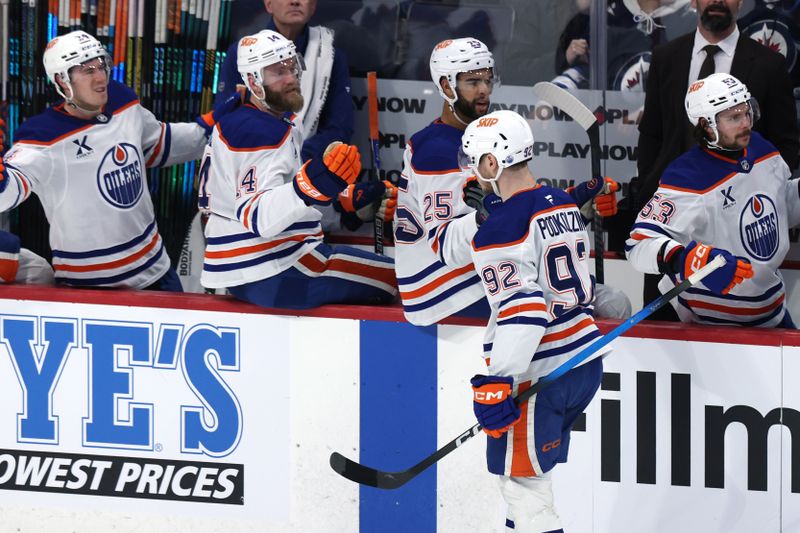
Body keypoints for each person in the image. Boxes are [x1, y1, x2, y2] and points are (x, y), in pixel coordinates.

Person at [395, 38, 621, 326]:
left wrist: (574, 205)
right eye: (472, 82)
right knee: (598, 302)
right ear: (447, 86)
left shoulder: (481, 137)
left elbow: (514, 209)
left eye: (488, 80)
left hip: (475, 275)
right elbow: (447, 246)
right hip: (444, 290)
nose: (484, 91)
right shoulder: (437, 151)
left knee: (604, 298)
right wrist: (486, 215)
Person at [460, 109, 608, 533]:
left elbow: (524, 306)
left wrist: (499, 380)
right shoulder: (563, 202)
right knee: (524, 480)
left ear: (492, 163)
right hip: (582, 361)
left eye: (476, 162)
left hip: (539, 372)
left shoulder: (498, 228)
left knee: (525, 490)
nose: (473, 172)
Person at [0, 30, 238, 290]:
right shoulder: (41, 139)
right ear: (62, 80)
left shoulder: (121, 100)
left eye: (101, 65)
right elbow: (7, 194)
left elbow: (160, 143)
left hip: (156, 271)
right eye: (87, 70)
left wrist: (214, 124)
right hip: (89, 287)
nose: (101, 77)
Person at [199, 30, 397, 309]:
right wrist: (311, 185)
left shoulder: (263, 120)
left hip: (266, 264)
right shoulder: (256, 131)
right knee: (399, 280)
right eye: (277, 72)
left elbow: (285, 188)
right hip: (273, 267)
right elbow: (259, 216)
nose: (291, 78)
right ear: (254, 82)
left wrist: (342, 198)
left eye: (292, 66)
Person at [636, 0, 800, 319]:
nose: (745, 123)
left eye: (746, 113)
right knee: (671, 340)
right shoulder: (667, 57)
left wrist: (754, 188)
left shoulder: (768, 65)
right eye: (733, 117)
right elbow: (652, 133)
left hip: (747, 250)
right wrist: (651, 190)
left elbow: (786, 151)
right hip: (681, 232)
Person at [216, 0, 353, 163]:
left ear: (313, 6)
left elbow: (338, 130)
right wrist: (268, 153)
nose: (295, 2)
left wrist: (293, 157)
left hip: (307, 168)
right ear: (268, 4)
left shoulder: (330, 58)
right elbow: (224, 121)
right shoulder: (242, 53)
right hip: (250, 160)